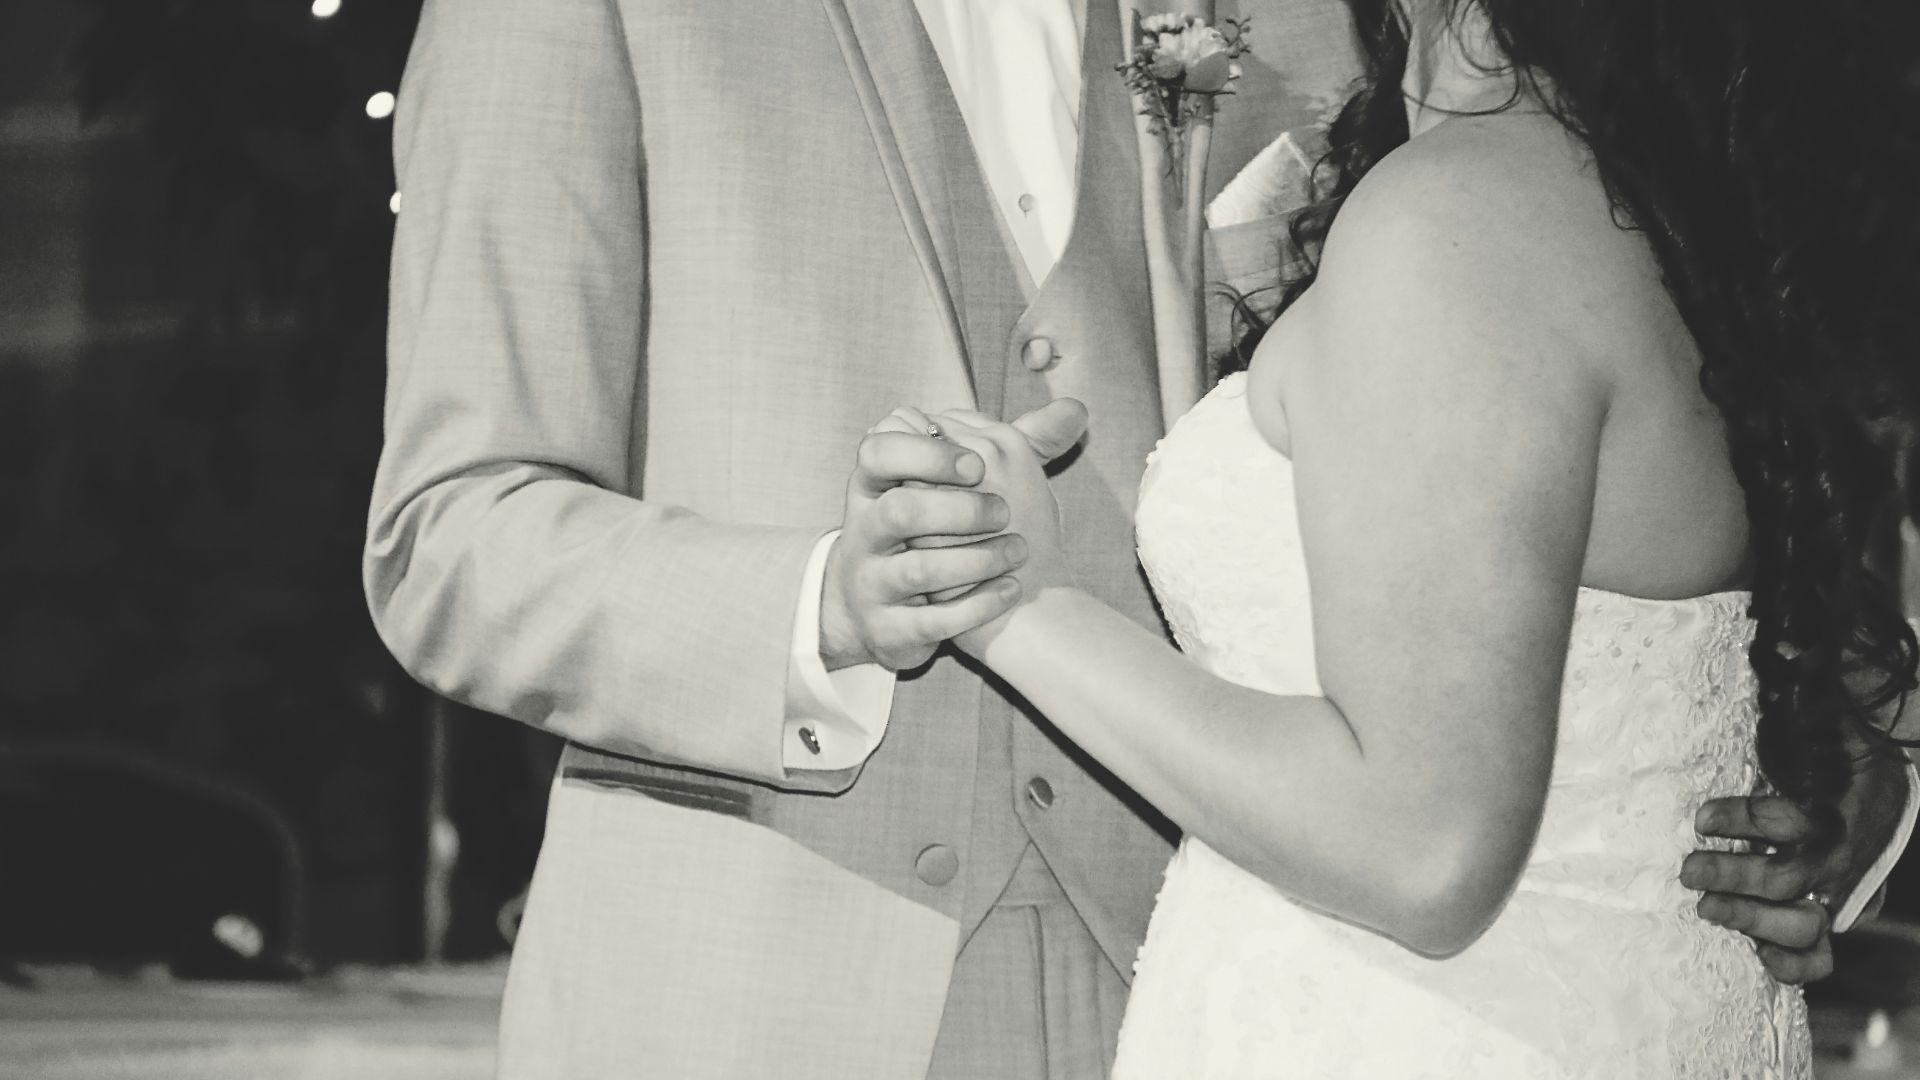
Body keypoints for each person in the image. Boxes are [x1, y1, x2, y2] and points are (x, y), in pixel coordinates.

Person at [363, 0, 1908, 1076]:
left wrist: (1835, 784)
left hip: (1251, 980)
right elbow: (450, 532)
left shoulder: (1351, 26)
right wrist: (823, 600)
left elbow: (1681, 349)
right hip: (763, 997)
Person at [876, 0, 1920, 1074]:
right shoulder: (1665, 196)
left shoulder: (1464, 217)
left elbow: (1422, 849)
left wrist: (1006, 596)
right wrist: (1853, 789)